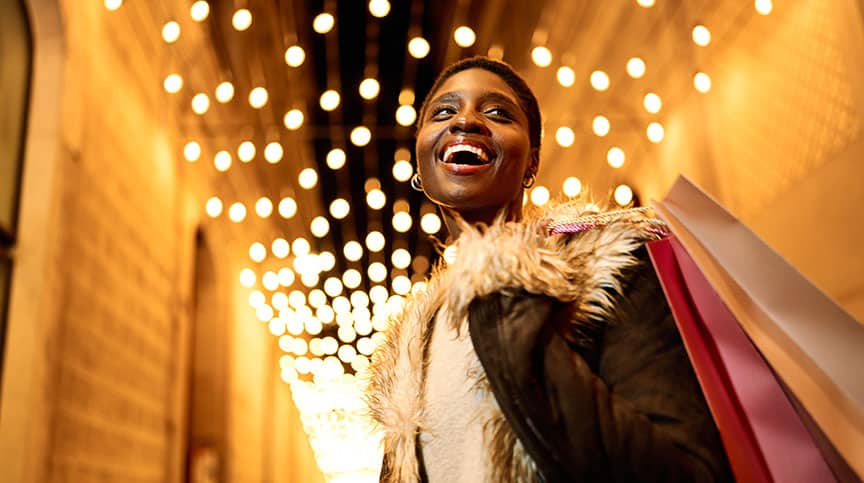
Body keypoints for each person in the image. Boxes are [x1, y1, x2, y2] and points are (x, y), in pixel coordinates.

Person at [367, 56, 732, 483]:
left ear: (532, 163)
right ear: (420, 158)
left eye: (497, 113)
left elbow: (688, 472)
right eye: (444, 112)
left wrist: (505, 293)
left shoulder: (604, 269)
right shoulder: (412, 342)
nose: (465, 121)